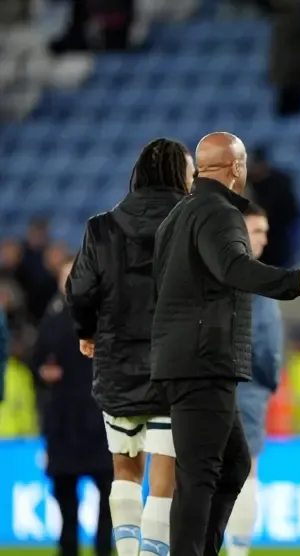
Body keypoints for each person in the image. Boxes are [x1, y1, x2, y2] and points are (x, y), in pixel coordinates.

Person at [150, 132, 300, 556]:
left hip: (185, 358)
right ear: (237, 168)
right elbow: (235, 267)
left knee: (232, 466)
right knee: (199, 475)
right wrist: (297, 281)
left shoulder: (177, 216)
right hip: (203, 360)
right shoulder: (218, 212)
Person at [65, 137, 192, 556]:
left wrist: (88, 332)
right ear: (180, 174)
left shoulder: (101, 227)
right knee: (165, 471)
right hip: (175, 364)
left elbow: (79, 290)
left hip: (117, 362)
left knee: (125, 468)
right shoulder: (193, 223)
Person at [34, 258, 114, 556]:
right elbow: (37, 362)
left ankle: (103, 549)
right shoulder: (51, 321)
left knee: (110, 492)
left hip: (100, 421)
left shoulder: (106, 318)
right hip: (64, 423)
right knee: (65, 496)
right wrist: (42, 372)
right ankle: (68, 550)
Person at [224, 203, 285, 555]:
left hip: (205, 389)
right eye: (257, 230)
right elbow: (265, 342)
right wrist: (267, 382)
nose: (264, 238)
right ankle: (238, 550)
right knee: (246, 474)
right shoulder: (257, 277)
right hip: (247, 387)